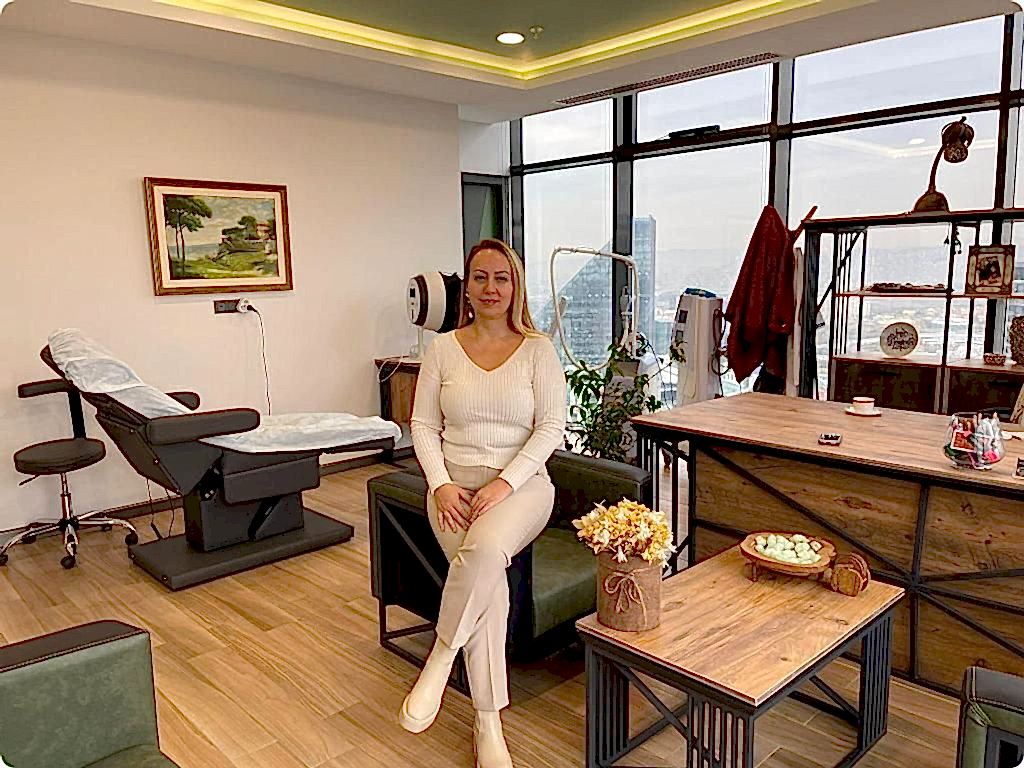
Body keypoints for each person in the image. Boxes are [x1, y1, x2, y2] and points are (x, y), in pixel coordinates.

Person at [400, 239, 567, 768]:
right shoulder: (442, 349)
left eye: (502, 277)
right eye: (480, 277)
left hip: (523, 488)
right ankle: (487, 721)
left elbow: (551, 429)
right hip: (452, 491)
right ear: (466, 288)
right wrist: (440, 484)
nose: (491, 287)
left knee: (488, 549)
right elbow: (422, 425)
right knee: (488, 587)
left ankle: (440, 655)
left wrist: (504, 484)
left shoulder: (538, 350)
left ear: (516, 286)